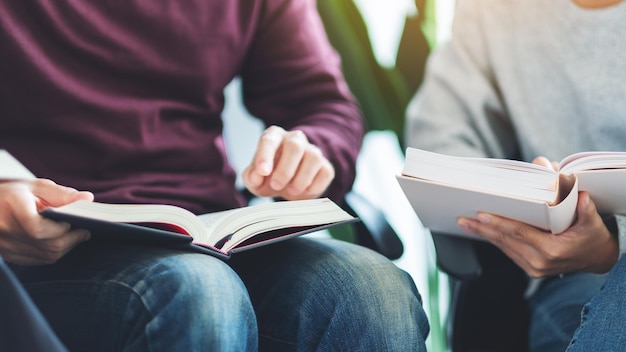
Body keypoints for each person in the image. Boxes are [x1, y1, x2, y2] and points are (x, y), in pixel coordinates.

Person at [0, 0, 430, 351]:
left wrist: (311, 151)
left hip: (201, 230)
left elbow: (323, 104)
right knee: (197, 291)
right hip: (47, 242)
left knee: (372, 291)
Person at [406, 0, 626, 350]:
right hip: (573, 279)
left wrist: (614, 246)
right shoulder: (494, 11)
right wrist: (523, 200)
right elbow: (439, 138)